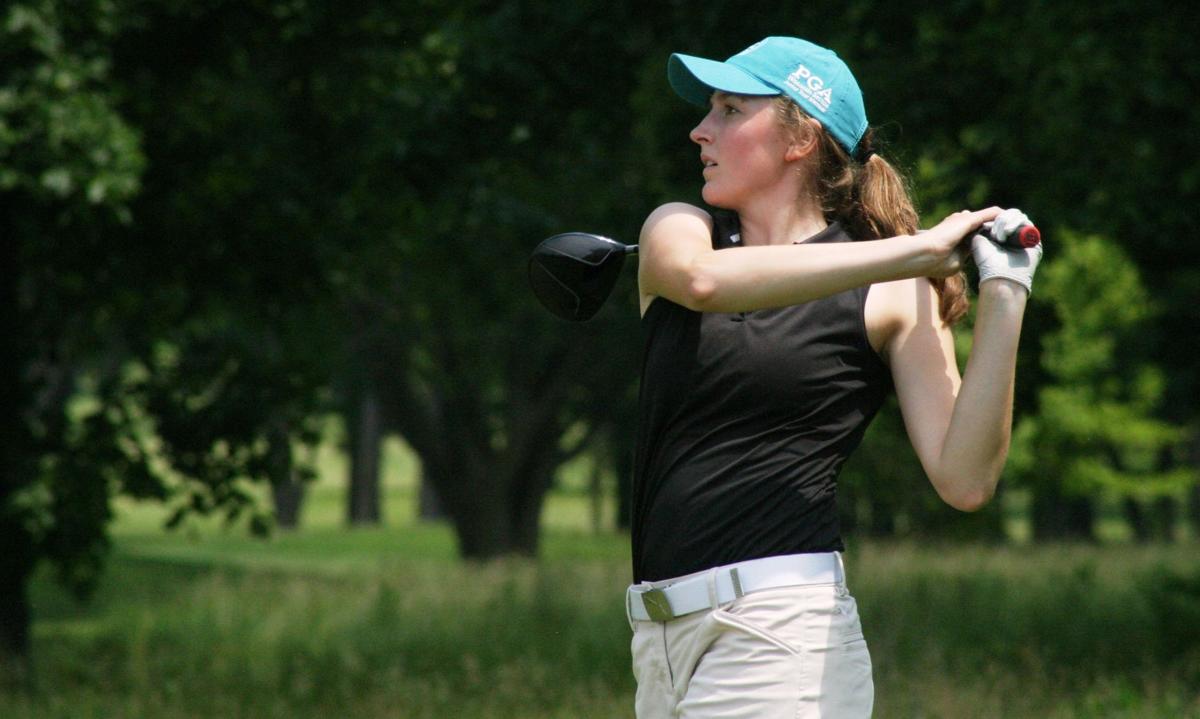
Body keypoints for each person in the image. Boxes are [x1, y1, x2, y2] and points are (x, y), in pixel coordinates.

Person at [625, 36, 1042, 718]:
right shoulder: (681, 229)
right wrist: (918, 250)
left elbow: (965, 479)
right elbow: (704, 282)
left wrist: (1004, 294)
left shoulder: (894, 291)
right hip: (658, 643)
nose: (700, 129)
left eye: (731, 110)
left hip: (782, 635)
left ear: (800, 138)